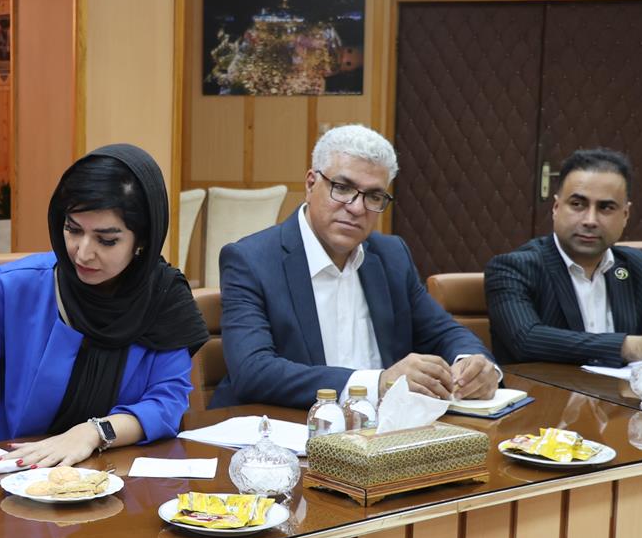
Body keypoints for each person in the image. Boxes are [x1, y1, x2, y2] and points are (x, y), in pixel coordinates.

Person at [0, 144, 208, 468]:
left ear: (143, 240)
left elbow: (167, 403)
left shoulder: (164, 298)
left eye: (107, 240)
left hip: (118, 473)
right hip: (12, 470)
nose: (82, 252)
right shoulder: (19, 286)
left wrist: (93, 433)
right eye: (73, 229)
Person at [210, 124, 498, 409]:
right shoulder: (251, 260)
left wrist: (472, 365)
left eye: (373, 196)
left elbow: (444, 332)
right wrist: (377, 384)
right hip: (286, 426)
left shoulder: (391, 256)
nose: (357, 208)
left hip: (383, 429)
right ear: (310, 184)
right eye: (343, 188)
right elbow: (254, 371)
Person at [485, 148, 642, 366]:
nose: (590, 220)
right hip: (543, 388)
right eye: (577, 204)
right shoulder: (513, 268)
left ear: (625, 215)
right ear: (556, 207)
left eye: (606, 207)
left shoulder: (635, 265)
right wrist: (635, 347)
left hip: (623, 388)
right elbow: (526, 339)